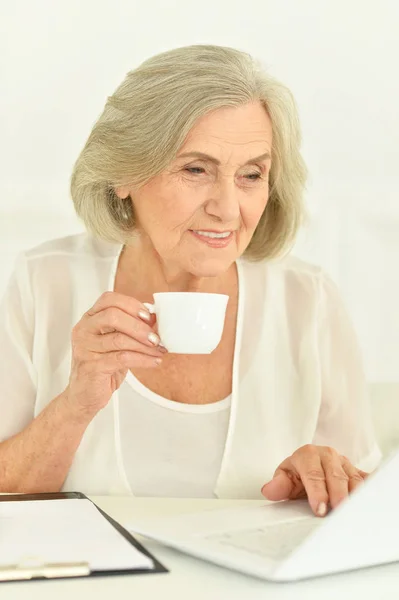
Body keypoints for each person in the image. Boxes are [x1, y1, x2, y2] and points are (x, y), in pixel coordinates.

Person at [0, 44, 381, 516]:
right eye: (196, 169)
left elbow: (369, 509)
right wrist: (76, 403)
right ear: (123, 173)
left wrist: (324, 480)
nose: (227, 208)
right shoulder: (46, 282)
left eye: (251, 174)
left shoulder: (308, 301)